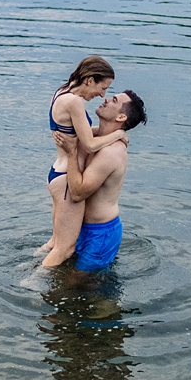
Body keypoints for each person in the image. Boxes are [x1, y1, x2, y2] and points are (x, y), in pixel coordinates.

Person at [40, 57, 127, 268]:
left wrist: (110, 133)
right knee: (64, 249)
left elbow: (81, 134)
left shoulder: (62, 93)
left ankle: (26, 266)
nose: (102, 95)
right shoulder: (74, 102)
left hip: (57, 173)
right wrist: (118, 135)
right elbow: (88, 144)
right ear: (89, 80)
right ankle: (31, 285)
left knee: (54, 243)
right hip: (67, 181)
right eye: (102, 87)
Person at [48, 90, 147, 271]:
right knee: (63, 276)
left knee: (79, 285)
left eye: (114, 100)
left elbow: (78, 194)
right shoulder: (95, 140)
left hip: (99, 234)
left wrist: (71, 154)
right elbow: (80, 136)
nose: (106, 99)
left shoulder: (111, 152)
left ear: (121, 117)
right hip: (79, 226)